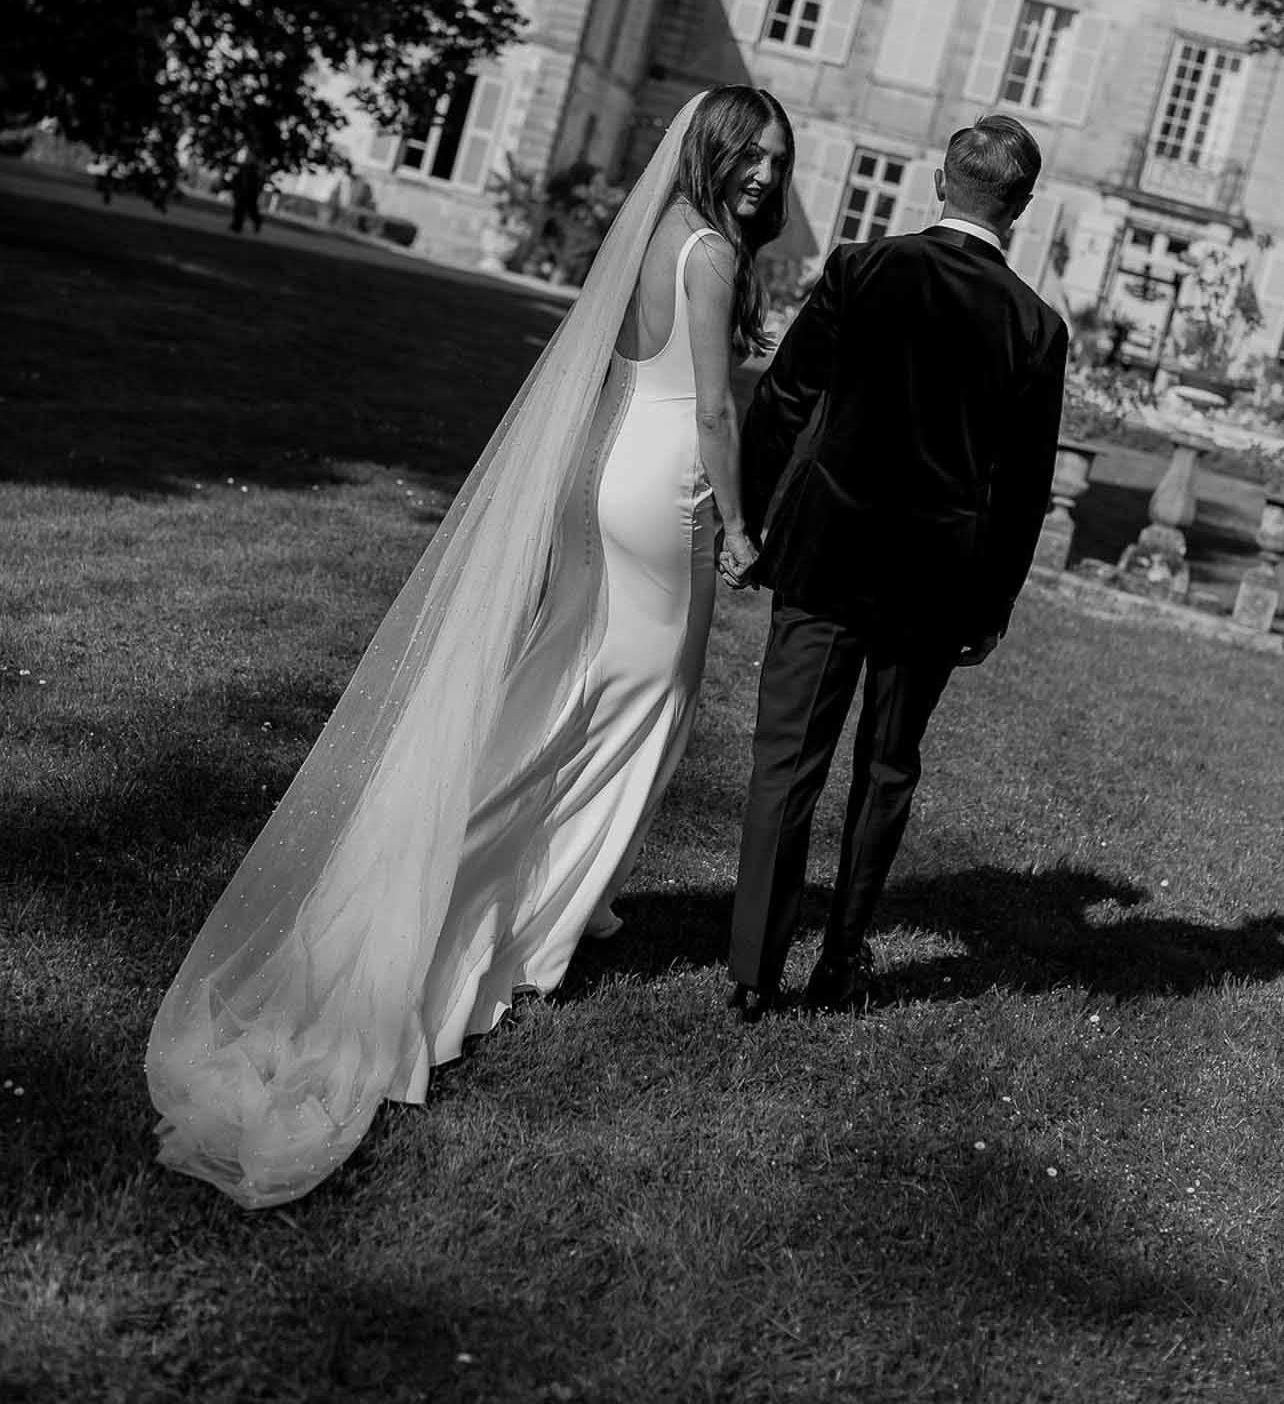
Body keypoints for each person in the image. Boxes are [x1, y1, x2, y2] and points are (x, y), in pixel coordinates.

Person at [147, 85, 792, 1208]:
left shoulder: (654, 232)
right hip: (667, 490)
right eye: (754, 154)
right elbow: (717, 415)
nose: (768, 176)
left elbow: (618, 370)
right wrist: (739, 525)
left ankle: (544, 896)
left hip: (606, 473)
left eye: (781, 161)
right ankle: (494, 896)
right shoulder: (710, 257)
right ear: (713, 149)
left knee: (578, 683)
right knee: (641, 702)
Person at [725, 113, 1068, 1019]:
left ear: (937, 184)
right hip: (935, 580)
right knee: (886, 767)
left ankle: (753, 974)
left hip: (825, 551)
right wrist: (990, 605)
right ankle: (839, 964)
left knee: (785, 759)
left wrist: (749, 524)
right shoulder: (1035, 324)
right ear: (1020, 207)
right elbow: (1024, 489)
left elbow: (784, 401)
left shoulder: (862, 267)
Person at [228, 150, 265, 234]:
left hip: (250, 192)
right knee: (240, 207)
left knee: (250, 209)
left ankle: (255, 222)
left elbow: (255, 182)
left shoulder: (254, 169)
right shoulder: (245, 167)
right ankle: (237, 225)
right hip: (244, 191)